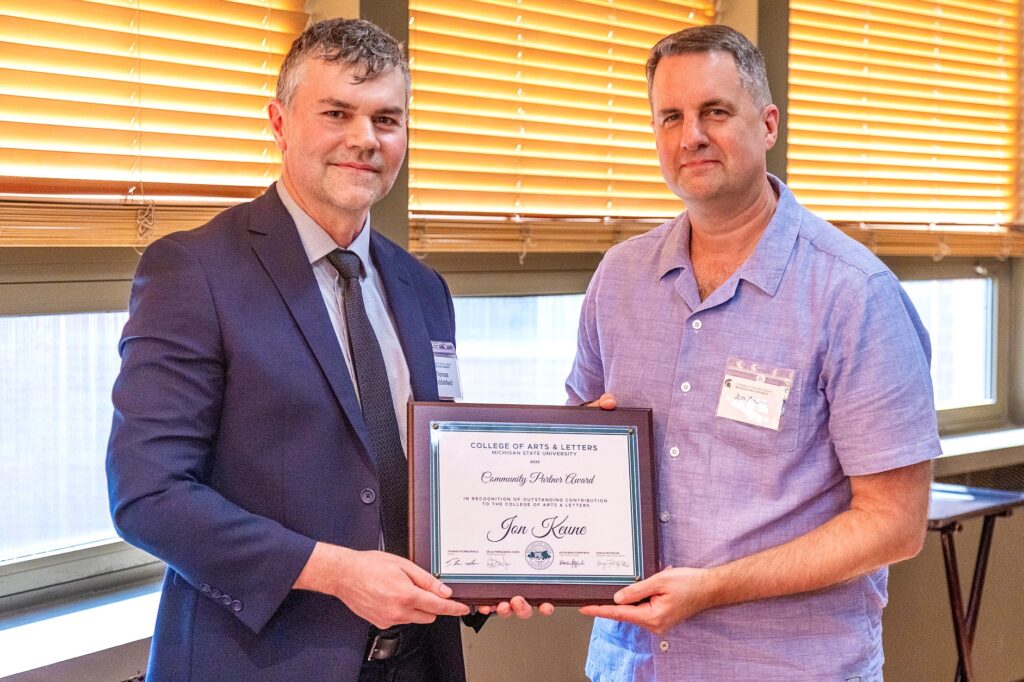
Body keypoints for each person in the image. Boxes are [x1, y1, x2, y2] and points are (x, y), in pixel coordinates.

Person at [107, 18, 502, 681]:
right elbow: (148, 496)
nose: (364, 140)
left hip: (418, 660)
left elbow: (432, 468)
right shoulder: (194, 271)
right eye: (337, 113)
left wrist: (504, 558)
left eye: (386, 119)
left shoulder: (424, 288)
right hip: (258, 662)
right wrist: (341, 574)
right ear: (280, 123)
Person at [569, 25, 940, 680]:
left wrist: (711, 589)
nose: (692, 137)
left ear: (767, 124)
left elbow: (894, 525)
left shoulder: (855, 294)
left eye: (715, 112)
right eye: (671, 117)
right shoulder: (619, 278)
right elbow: (577, 440)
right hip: (629, 665)